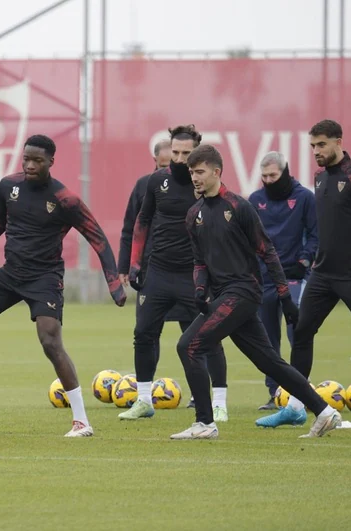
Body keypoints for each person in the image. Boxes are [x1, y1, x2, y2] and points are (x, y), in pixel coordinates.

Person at [0, 134, 126, 438]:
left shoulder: (65, 200)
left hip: (45, 278)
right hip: (11, 274)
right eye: (26, 158)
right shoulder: (8, 186)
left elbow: (98, 238)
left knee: (50, 342)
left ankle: (81, 421)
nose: (29, 165)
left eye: (37, 160)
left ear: (51, 162)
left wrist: (114, 282)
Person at [173, 144, 341, 440]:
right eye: (191, 172)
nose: (195, 178)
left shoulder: (239, 207)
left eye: (199, 172)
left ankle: (204, 423)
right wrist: (200, 289)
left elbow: (268, 252)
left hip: (243, 293)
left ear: (216, 172)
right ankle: (325, 412)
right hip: (225, 296)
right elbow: (199, 259)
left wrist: (286, 297)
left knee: (189, 346)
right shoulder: (194, 214)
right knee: (269, 361)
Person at [257, 119, 351, 432]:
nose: (316, 151)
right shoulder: (319, 177)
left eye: (321, 145)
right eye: (312, 145)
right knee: (302, 333)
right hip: (322, 274)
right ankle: (295, 408)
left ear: (338, 141)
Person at [123, 125, 228, 421]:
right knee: (143, 333)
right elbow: (141, 221)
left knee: (208, 338)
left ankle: (218, 402)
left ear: (198, 152)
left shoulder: (207, 185)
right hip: (158, 272)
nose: (179, 159)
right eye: (175, 152)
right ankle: (144, 400)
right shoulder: (157, 181)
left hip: (194, 275)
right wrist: (134, 263)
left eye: (186, 153)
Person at [248, 152, 318, 410]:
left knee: (297, 333)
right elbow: (248, 239)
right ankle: (274, 393)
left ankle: (302, 394)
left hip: (294, 278)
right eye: (264, 176)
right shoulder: (255, 200)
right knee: (266, 339)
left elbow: (315, 234)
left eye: (273, 176)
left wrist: (305, 261)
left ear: (285, 172)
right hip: (264, 279)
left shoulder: (304, 198)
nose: (268, 181)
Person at [118, 140, 180, 373]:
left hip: (184, 269)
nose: (166, 170)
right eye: (162, 164)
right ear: (154, 161)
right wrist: (125, 265)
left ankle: (199, 394)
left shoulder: (190, 184)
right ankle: (146, 389)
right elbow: (129, 228)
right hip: (150, 271)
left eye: (170, 164)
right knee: (147, 333)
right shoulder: (144, 186)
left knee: (194, 334)